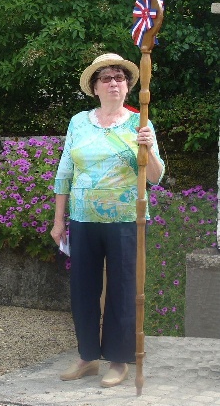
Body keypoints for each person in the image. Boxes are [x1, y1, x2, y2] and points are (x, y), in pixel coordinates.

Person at [50, 53, 165, 388]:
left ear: (128, 86)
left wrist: (148, 148)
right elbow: (64, 173)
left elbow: (156, 177)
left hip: (127, 220)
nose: (114, 83)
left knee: (124, 289)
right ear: (95, 87)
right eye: (107, 78)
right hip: (83, 218)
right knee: (83, 289)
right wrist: (59, 221)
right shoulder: (78, 123)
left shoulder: (140, 123)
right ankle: (87, 357)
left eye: (120, 78)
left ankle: (118, 360)